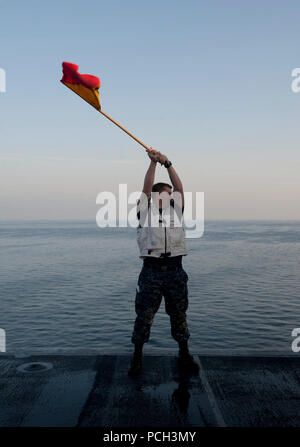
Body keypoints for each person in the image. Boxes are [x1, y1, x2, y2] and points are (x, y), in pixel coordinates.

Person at [128, 148, 199, 376]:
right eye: (166, 194)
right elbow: (146, 190)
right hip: (152, 272)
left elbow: (179, 188)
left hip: (176, 271)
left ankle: (184, 353)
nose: (171, 196)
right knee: (144, 316)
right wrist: (152, 163)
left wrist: (168, 164)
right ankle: (137, 357)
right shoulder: (144, 210)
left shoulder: (176, 211)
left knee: (179, 314)